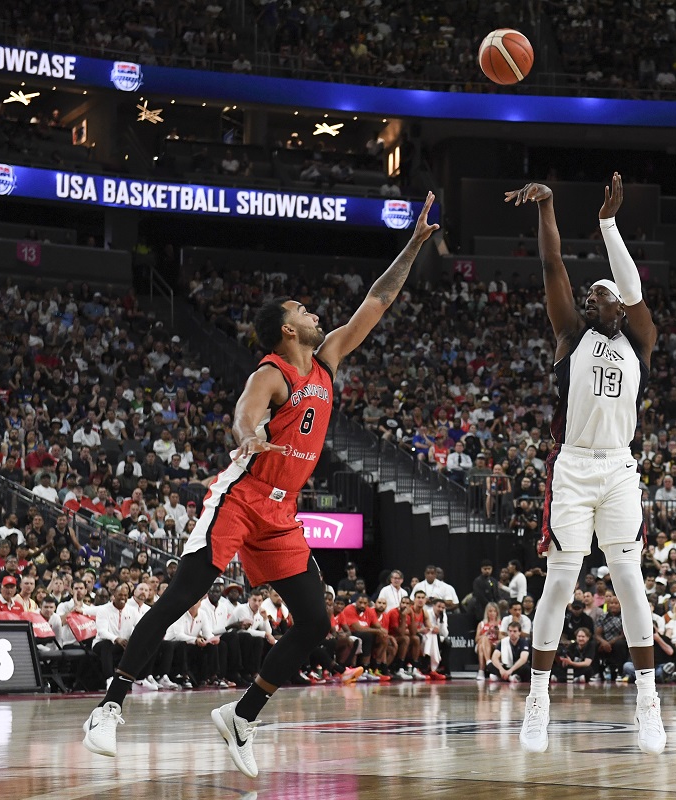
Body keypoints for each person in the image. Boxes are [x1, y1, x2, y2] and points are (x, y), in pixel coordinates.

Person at [80, 193, 439, 777]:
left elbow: (380, 299)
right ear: (285, 328)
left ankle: (243, 715)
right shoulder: (272, 372)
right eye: (303, 309)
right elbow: (245, 413)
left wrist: (415, 244)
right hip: (241, 499)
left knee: (316, 623)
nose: (315, 313)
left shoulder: (327, 361)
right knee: (182, 595)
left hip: (282, 511)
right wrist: (250, 436)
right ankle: (109, 707)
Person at [506, 173, 664, 754]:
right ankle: (538, 698)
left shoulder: (640, 340)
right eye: (595, 295)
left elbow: (633, 289)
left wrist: (607, 224)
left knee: (629, 580)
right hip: (571, 468)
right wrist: (548, 207)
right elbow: (553, 270)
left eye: (609, 295)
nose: (602, 299)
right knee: (561, 583)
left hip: (619, 469)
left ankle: (648, 700)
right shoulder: (571, 333)